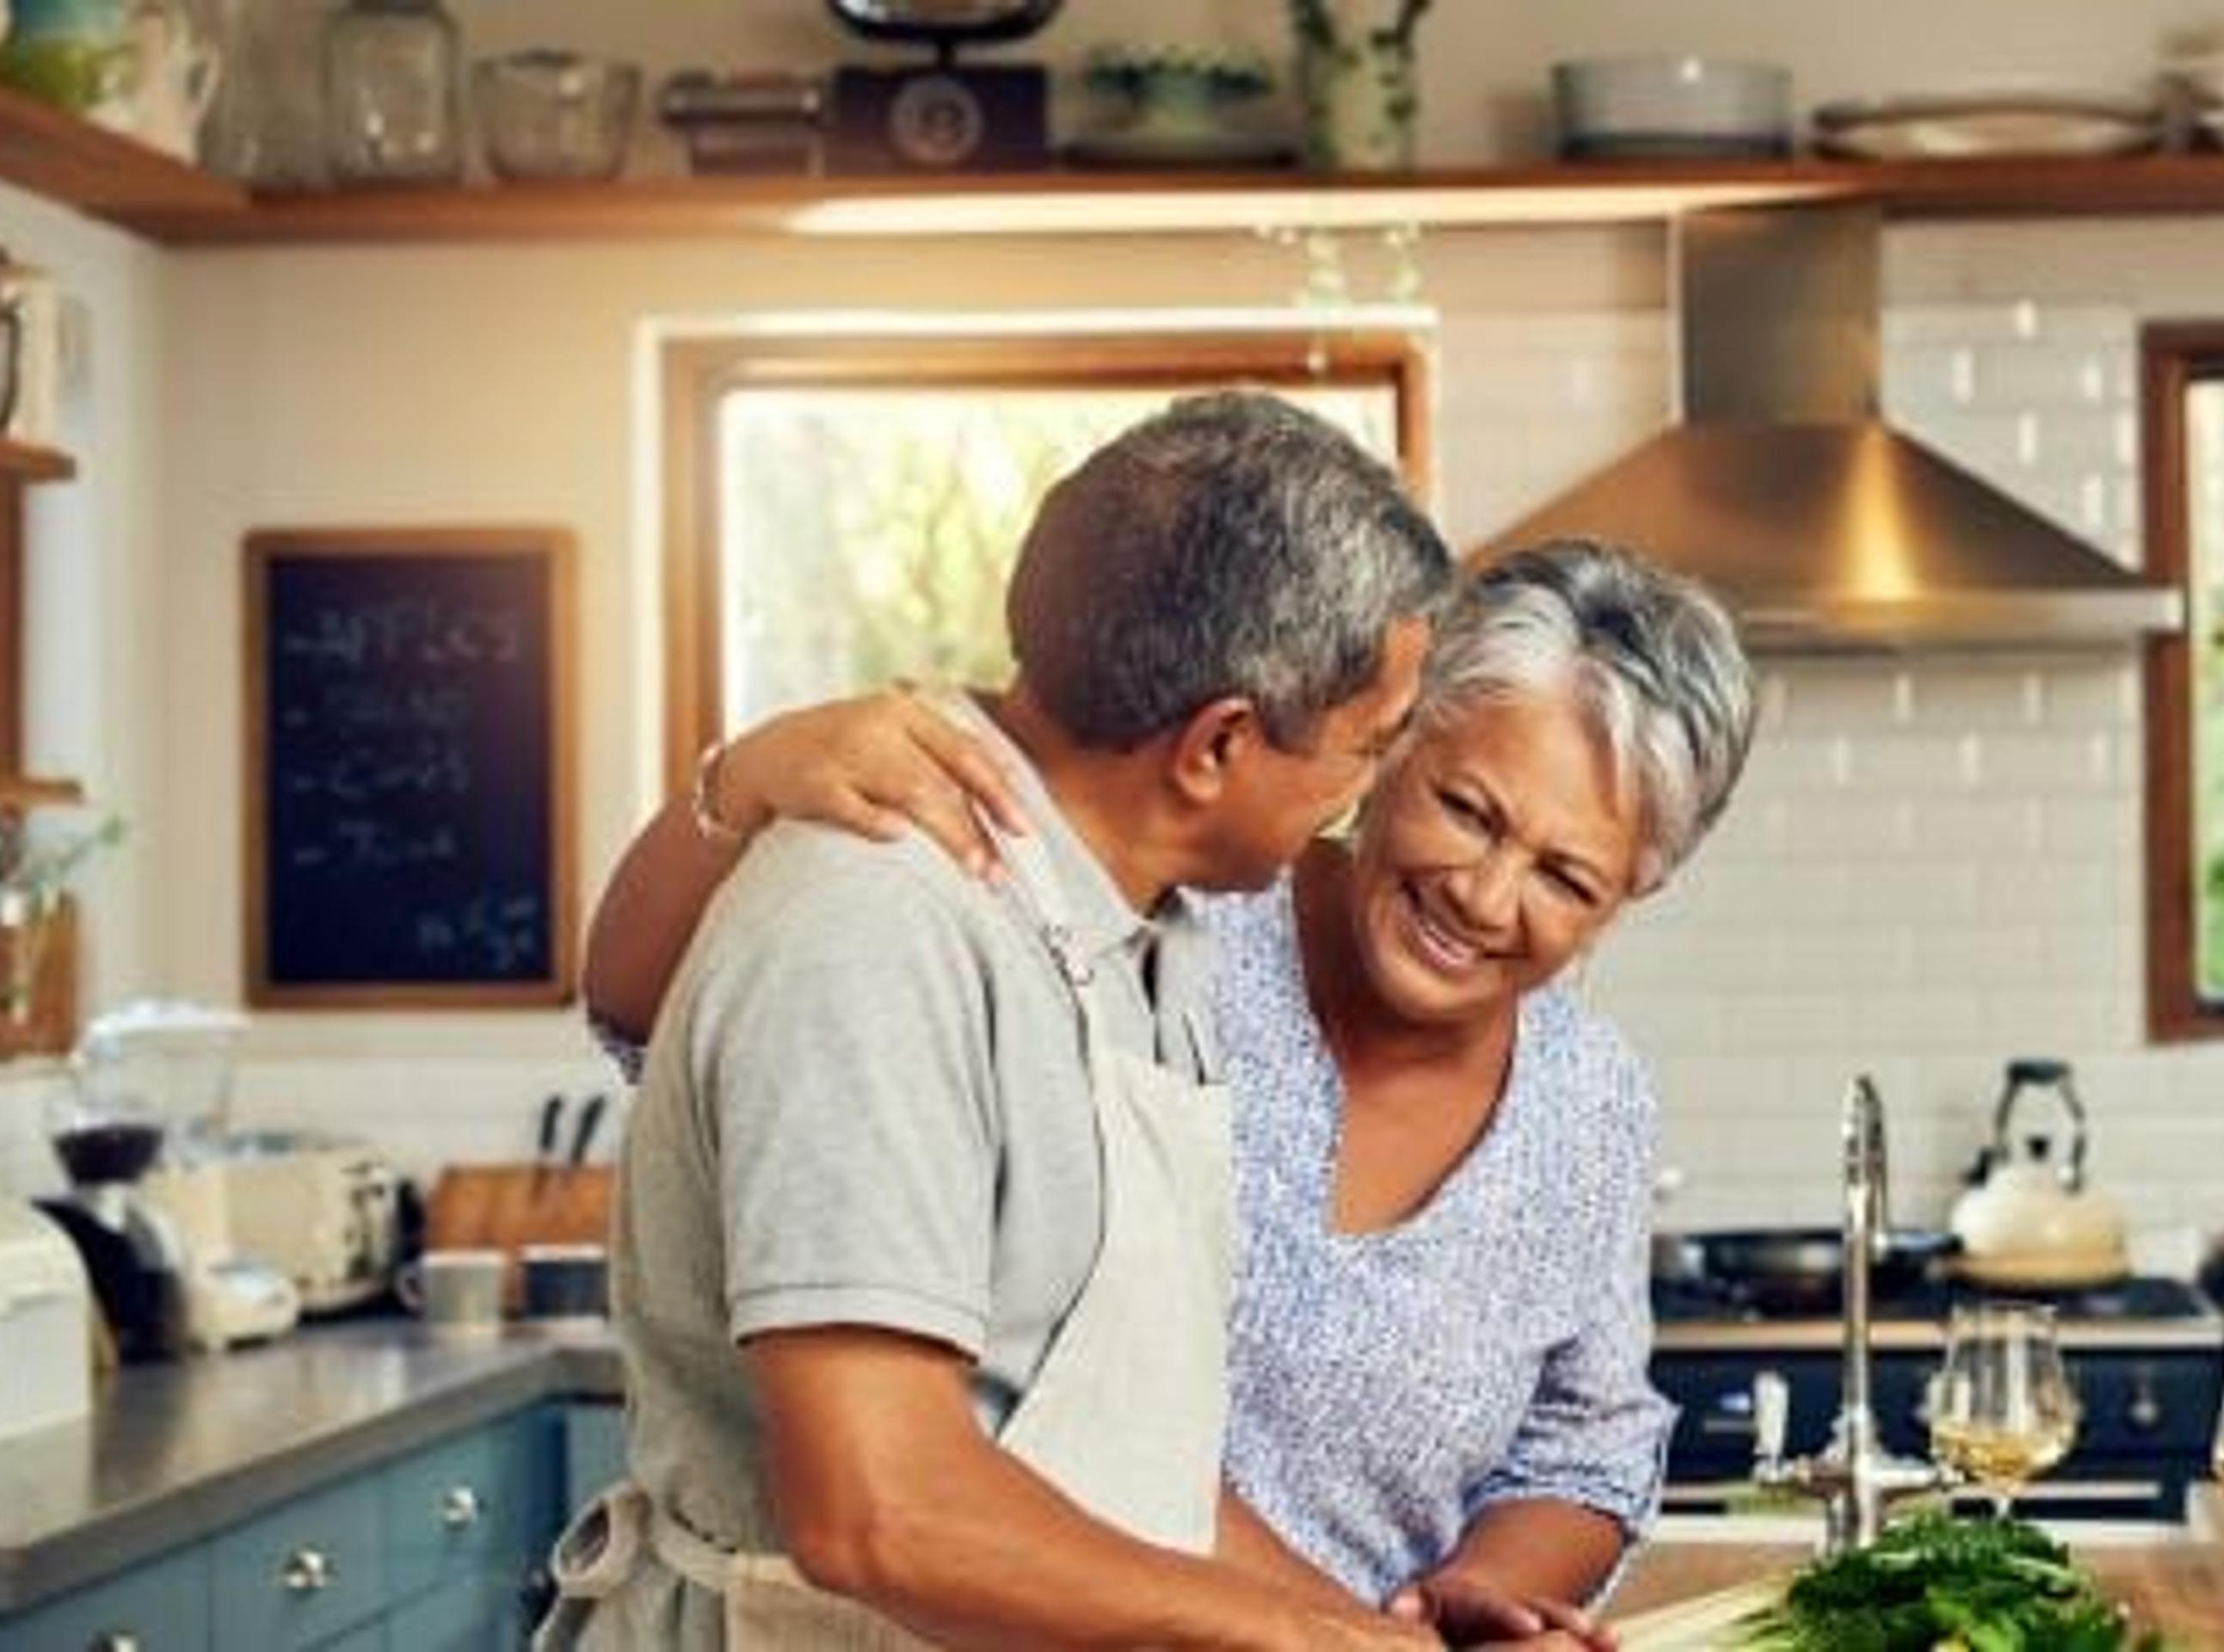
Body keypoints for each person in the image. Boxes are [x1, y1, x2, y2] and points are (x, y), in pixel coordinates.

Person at [582, 541, 1760, 1647]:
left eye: (1566, 877)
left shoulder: (1588, 1101)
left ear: (1626, 902)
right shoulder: (1178, 920)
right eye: (1468, 810)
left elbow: (1586, 1438)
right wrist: (738, 785)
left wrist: (1467, 1605)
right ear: (1390, 743)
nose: (1487, 897)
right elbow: (649, 1014)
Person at [539, 391, 1456, 1651]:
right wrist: (1311, 1647)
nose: (1370, 794)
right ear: (1217, 745)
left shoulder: (1145, 932)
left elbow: (1125, 1472)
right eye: (1367, 747)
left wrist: (1375, 1636)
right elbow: (881, 1512)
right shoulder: (877, 929)